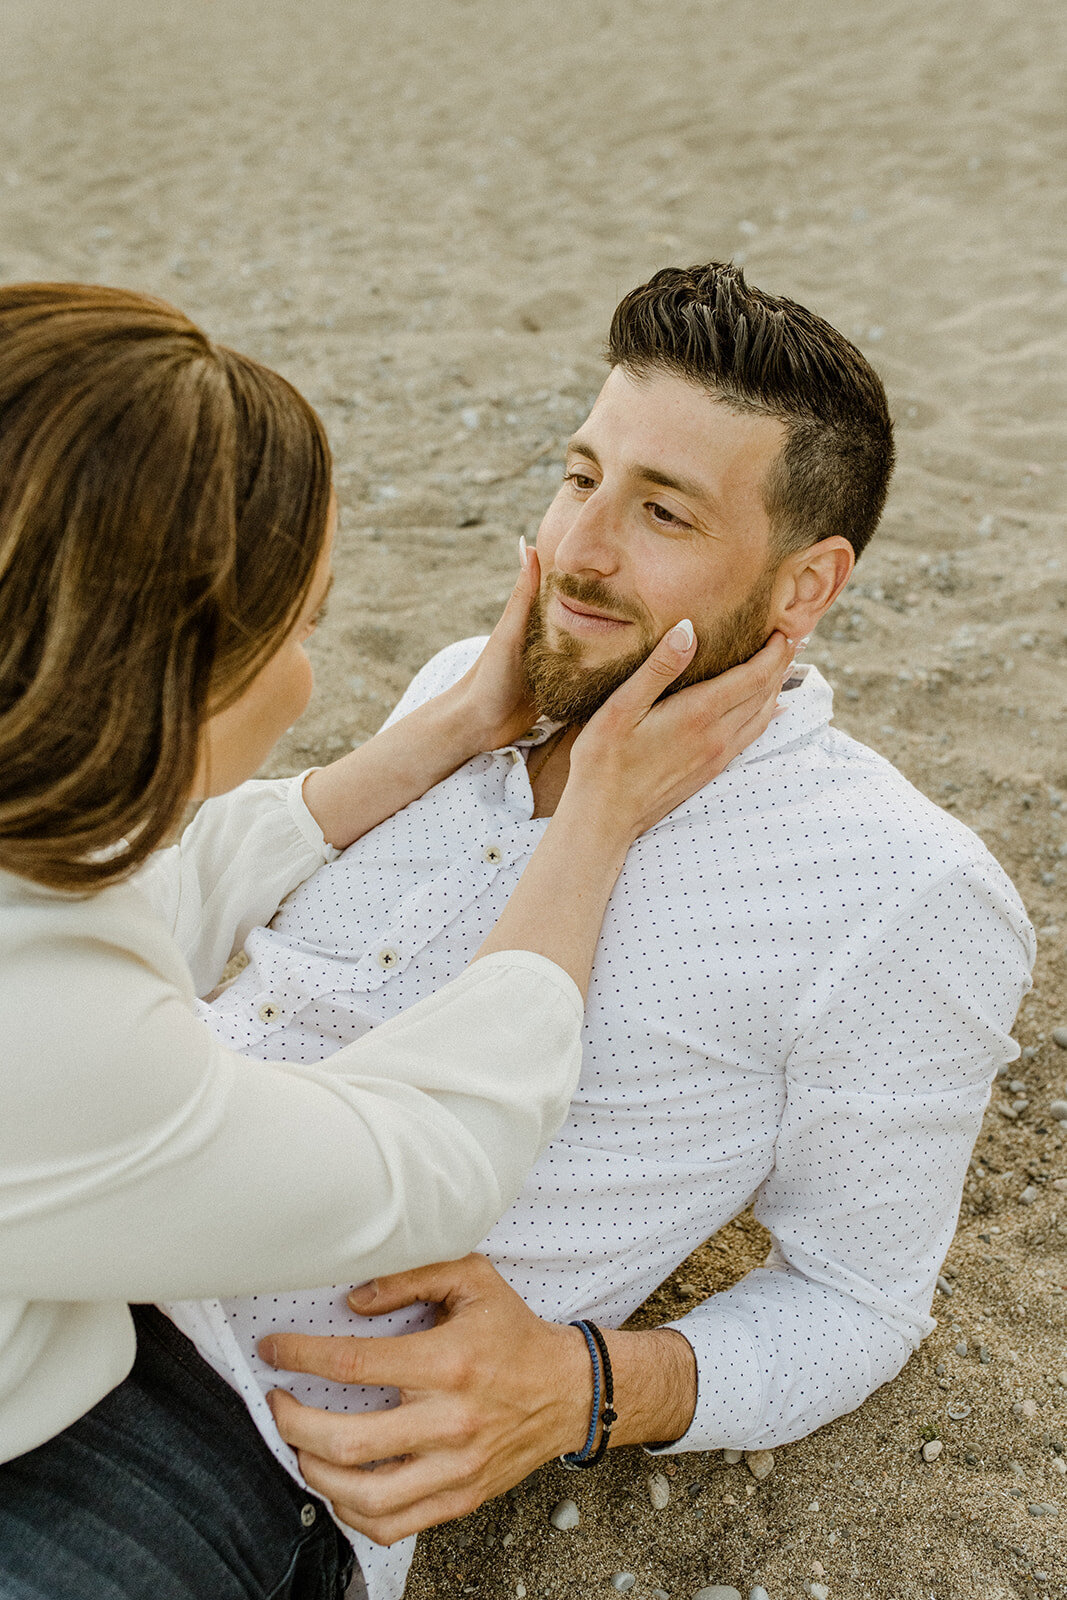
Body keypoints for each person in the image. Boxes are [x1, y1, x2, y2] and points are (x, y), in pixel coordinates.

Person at [116, 262, 1037, 1600]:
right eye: (579, 474)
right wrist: (449, 729)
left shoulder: (896, 889)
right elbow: (174, 916)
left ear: (805, 585)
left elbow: (859, 1301)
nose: (580, 550)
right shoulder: (466, 687)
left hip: (223, 1436)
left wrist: (587, 1387)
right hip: (59, 1245)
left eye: (661, 510)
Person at [0, 282, 792, 1600]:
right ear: (162, 672)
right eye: (299, 627)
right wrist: (590, 824)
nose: (586, 548)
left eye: (657, 505)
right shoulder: (50, 1046)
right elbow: (434, 1157)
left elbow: (114, 888)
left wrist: (446, 730)